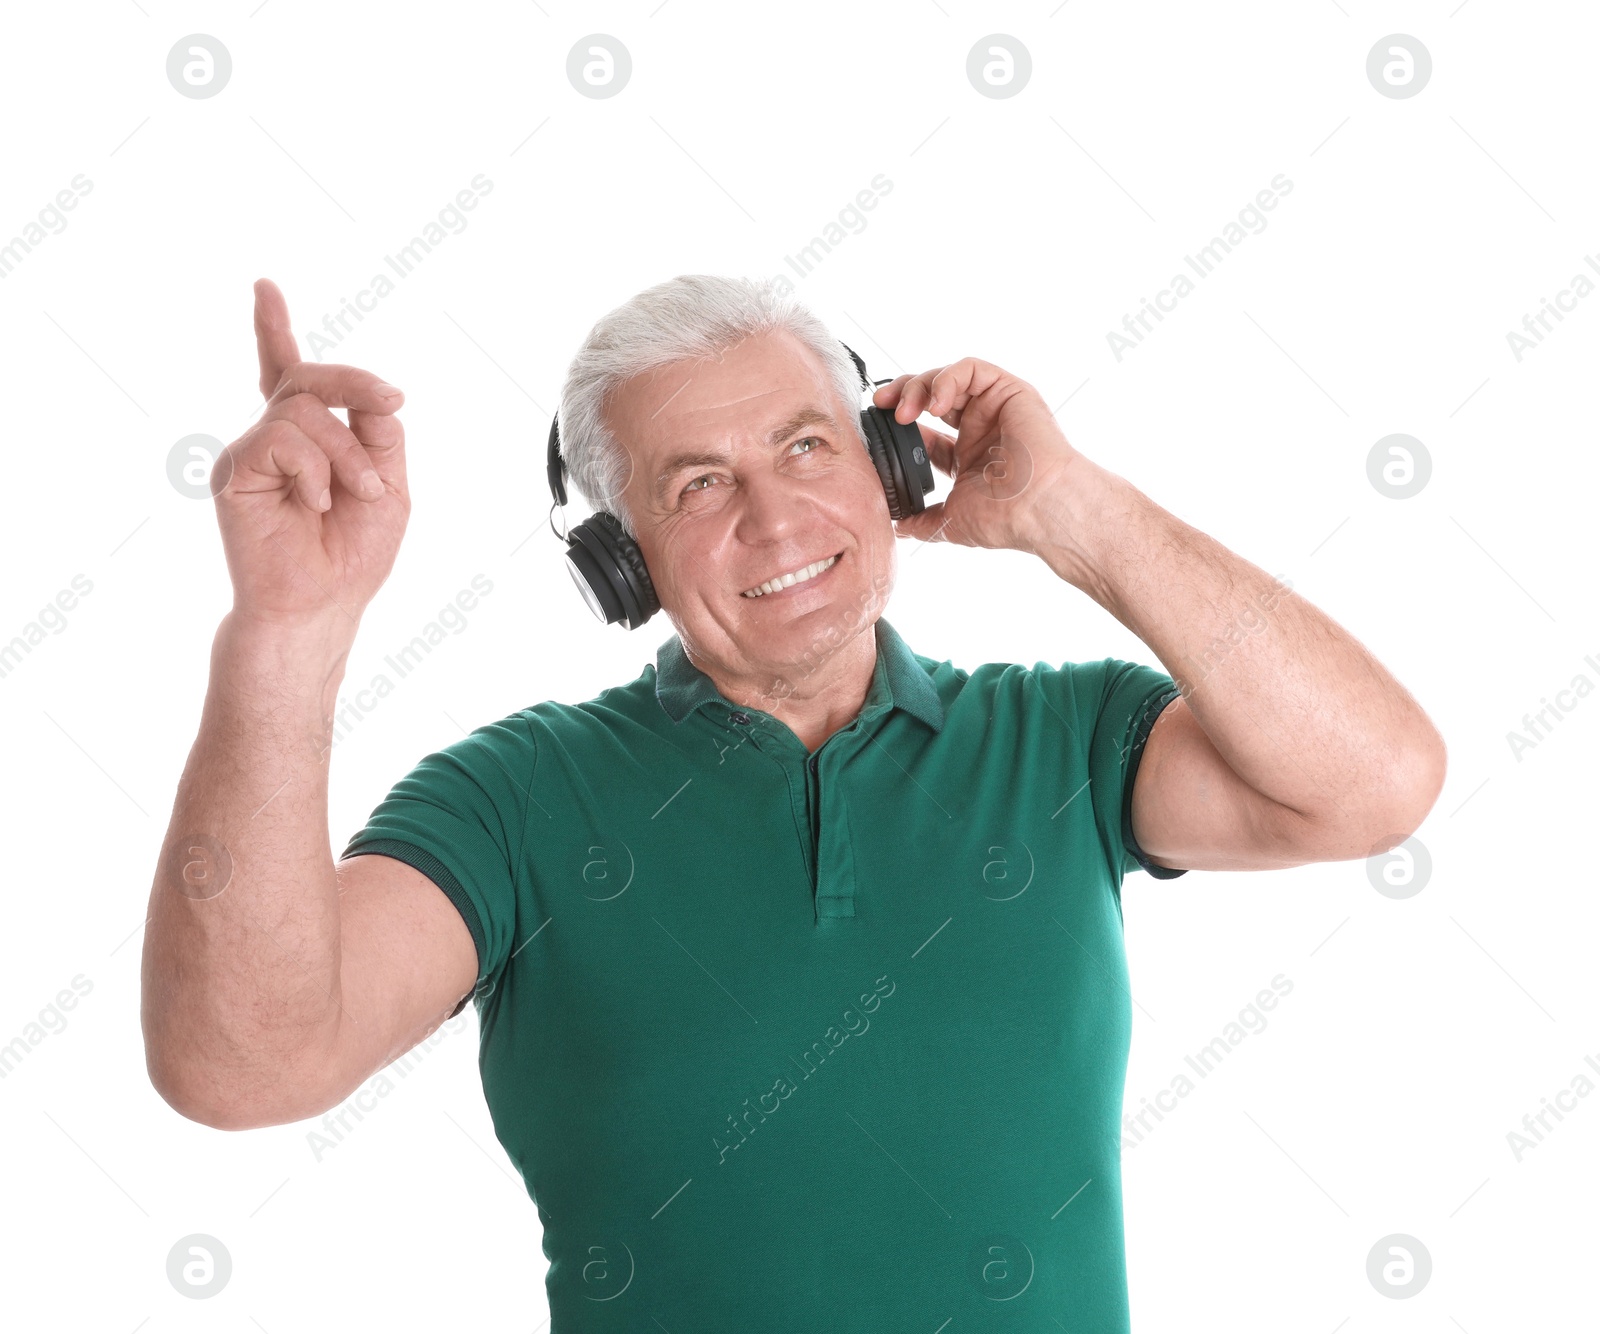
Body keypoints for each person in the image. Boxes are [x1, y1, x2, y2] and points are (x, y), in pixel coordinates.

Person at [141, 273, 1446, 1332]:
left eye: (808, 445)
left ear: (888, 464)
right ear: (622, 557)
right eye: (697, 482)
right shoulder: (515, 800)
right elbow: (241, 1062)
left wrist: (1074, 512)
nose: (775, 517)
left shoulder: (1060, 740)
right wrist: (287, 631)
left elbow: (1375, 784)